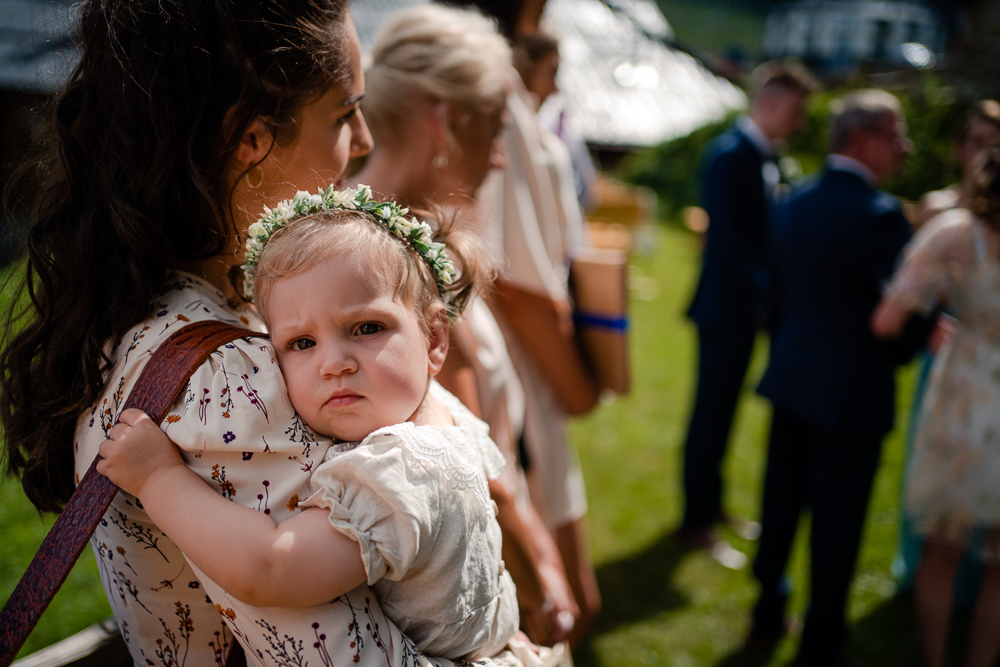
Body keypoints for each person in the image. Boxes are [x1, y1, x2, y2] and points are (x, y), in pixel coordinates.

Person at [0, 2, 542, 665]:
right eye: (344, 113)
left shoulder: (183, 310)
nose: (364, 139)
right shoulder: (227, 382)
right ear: (249, 138)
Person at [98, 190, 519, 662]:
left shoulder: (398, 475)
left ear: (434, 337)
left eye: (366, 328)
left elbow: (270, 569)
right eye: (301, 343)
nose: (334, 363)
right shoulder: (445, 411)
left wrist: (158, 478)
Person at [355, 4, 580, 647]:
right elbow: (470, 461)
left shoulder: (375, 239)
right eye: (495, 128)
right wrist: (549, 581)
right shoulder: (396, 267)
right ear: (449, 122)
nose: (501, 157)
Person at [749, 89, 934, 666]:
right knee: (838, 523)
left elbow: (774, 299)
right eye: (896, 135)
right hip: (853, 395)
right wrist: (921, 336)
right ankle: (821, 641)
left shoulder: (794, 201)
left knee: (780, 506)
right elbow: (900, 318)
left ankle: (766, 612)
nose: (905, 148)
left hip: (791, 380)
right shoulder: (881, 216)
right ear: (863, 139)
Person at [444, 0, 605, 646]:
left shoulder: (489, 83)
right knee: (561, 607)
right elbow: (512, 278)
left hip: (516, 362)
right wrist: (581, 385)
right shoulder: (496, 93)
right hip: (522, 371)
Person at [679, 60, 817, 552]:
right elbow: (728, 244)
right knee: (710, 415)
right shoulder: (730, 154)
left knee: (725, 414)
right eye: (796, 111)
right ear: (770, 103)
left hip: (742, 310)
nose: (799, 123)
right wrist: (764, 298)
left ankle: (712, 504)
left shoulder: (764, 156)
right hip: (726, 311)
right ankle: (695, 522)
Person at [872, 146, 1000, 667]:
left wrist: (935, 324)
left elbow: (888, 319)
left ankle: (933, 659)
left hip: (965, 398)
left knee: (941, 553)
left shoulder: (955, 234)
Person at [894, 100, 1000, 598]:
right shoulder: (940, 210)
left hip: (977, 354)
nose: (982, 152)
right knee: (937, 469)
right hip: (947, 356)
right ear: (960, 147)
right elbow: (915, 289)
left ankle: (966, 580)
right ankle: (919, 566)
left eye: (992, 144)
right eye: (975, 141)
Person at [917, 100, 1000, 226]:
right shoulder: (937, 205)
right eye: (977, 142)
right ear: (958, 147)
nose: (987, 152)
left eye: (996, 145)